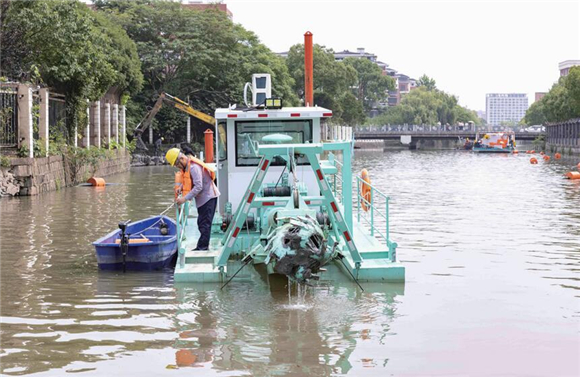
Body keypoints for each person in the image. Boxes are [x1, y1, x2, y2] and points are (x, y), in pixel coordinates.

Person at [165, 148, 220, 251]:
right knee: (201, 222)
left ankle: (202, 248)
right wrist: (181, 188)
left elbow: (198, 186)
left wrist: (184, 199)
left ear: (181, 159)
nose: (177, 167)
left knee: (204, 224)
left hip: (208, 198)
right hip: (203, 199)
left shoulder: (194, 167)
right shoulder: (188, 167)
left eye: (177, 164)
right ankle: (202, 246)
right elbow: (190, 181)